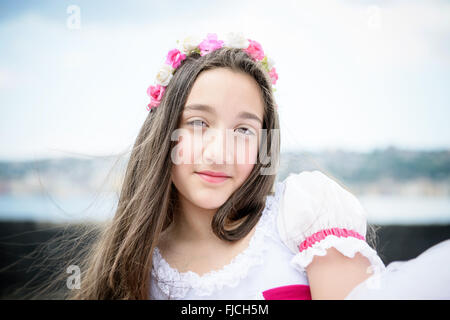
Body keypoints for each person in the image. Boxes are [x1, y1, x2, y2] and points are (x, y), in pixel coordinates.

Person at [70, 32, 449, 300]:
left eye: (244, 130)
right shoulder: (134, 266)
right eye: (199, 123)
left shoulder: (301, 218)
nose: (220, 152)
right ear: (164, 133)